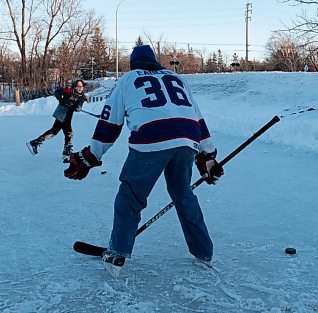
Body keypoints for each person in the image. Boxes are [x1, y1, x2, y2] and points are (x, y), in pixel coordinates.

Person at [64, 45, 224, 276]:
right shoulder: (176, 78)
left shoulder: (128, 80)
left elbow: (110, 124)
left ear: (133, 64)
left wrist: (91, 156)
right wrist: (208, 154)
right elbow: (197, 118)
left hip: (151, 138)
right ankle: (204, 253)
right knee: (183, 194)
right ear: (155, 62)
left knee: (130, 196)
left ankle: (118, 252)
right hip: (188, 139)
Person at [26, 79, 88, 162]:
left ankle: (35, 143)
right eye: (78, 86)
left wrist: (77, 108)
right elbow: (57, 92)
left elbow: (79, 106)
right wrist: (61, 100)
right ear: (75, 86)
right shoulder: (69, 90)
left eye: (82, 86)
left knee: (54, 131)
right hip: (61, 112)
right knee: (68, 132)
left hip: (68, 115)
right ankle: (66, 153)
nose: (80, 88)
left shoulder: (82, 97)